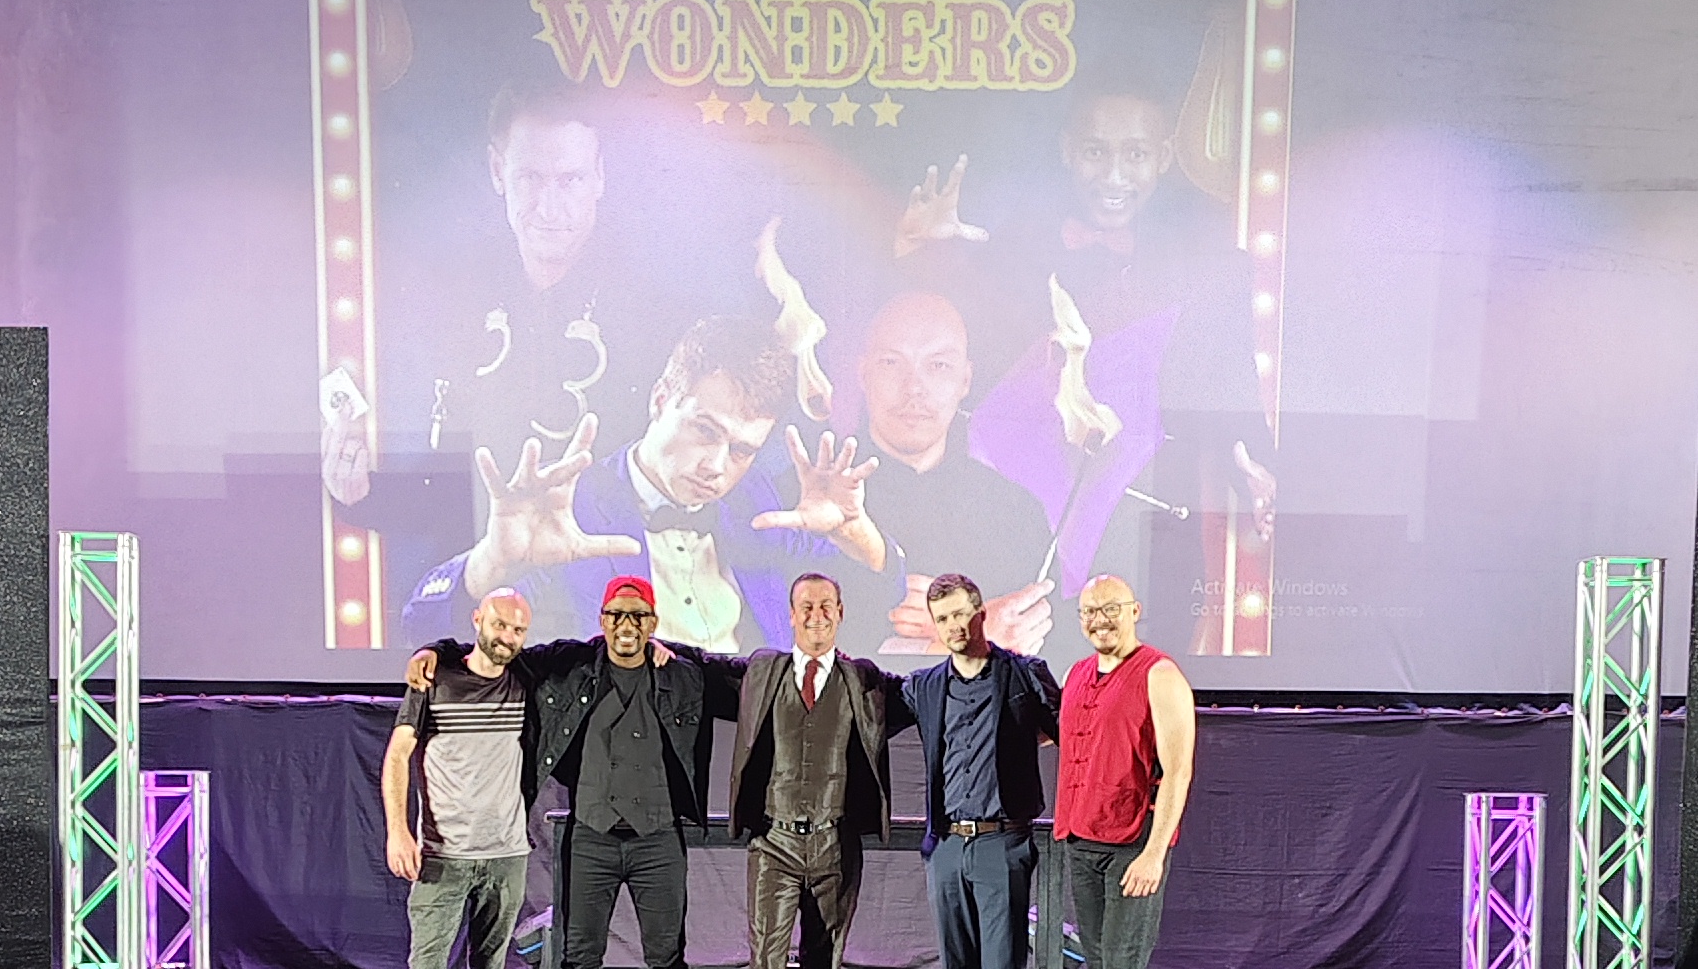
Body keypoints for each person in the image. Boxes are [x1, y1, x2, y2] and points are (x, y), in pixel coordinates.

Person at [327, 74, 649, 639]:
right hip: (479, 623)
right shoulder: (451, 304)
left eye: (570, 179)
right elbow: (446, 496)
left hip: (603, 623)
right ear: (499, 172)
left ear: (600, 177)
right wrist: (361, 497)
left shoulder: (650, 313)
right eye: (530, 178)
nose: (549, 206)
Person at [964, 83, 1275, 646]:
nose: (1114, 175)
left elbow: (1233, 395)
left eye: (1135, 154)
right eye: (1095, 151)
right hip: (1020, 523)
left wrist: (1254, 468)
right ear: (1067, 150)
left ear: (1164, 155)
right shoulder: (1011, 254)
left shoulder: (1208, 268)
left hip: (1148, 527)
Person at [403, 576, 721, 969]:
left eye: (638, 616)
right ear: (602, 620)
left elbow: (731, 673)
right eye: (617, 615)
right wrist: (436, 648)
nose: (626, 625)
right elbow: (499, 650)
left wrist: (674, 651)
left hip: (657, 836)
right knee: (578, 957)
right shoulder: (570, 665)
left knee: (666, 958)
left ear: (653, 623)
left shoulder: (680, 675)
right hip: (590, 833)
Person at [409, 317, 818, 654]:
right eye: (705, 430)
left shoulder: (758, 502)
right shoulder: (571, 503)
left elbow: (845, 589)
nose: (716, 466)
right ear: (661, 399)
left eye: (742, 450)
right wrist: (493, 562)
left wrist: (851, 537)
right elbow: (420, 629)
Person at [724, 570, 915, 969]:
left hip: (835, 843)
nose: (817, 615)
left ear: (841, 613)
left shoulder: (865, 681)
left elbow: (925, 692)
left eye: (826, 605)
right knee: (765, 960)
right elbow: (700, 666)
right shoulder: (763, 672)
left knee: (824, 966)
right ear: (790, 614)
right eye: (806, 606)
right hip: (775, 842)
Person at [809, 287, 1056, 671]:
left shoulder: (1017, 512)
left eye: (938, 366)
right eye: (892, 363)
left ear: (965, 380)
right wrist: (958, 639)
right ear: (863, 373)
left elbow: (1040, 656)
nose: (914, 388)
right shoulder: (812, 498)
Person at [363, 589, 535, 969]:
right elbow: (398, 755)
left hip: (507, 855)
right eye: (500, 625)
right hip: (443, 857)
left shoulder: (525, 679)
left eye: (518, 630)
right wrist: (398, 831)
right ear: (478, 619)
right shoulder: (434, 679)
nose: (508, 637)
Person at [905, 574, 1062, 969]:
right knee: (958, 967)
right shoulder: (924, 686)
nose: (952, 626)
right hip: (948, 843)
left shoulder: (1022, 674)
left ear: (980, 615)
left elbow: (1067, 729)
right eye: (942, 618)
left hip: (1002, 839)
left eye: (959, 615)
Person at [1055, 572, 1196, 969]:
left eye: (1110, 609)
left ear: (1134, 610)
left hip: (1132, 848)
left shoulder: (1159, 674)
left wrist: (1154, 853)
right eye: (1089, 612)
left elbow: (1178, 771)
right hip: (1082, 844)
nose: (1099, 621)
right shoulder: (1077, 675)